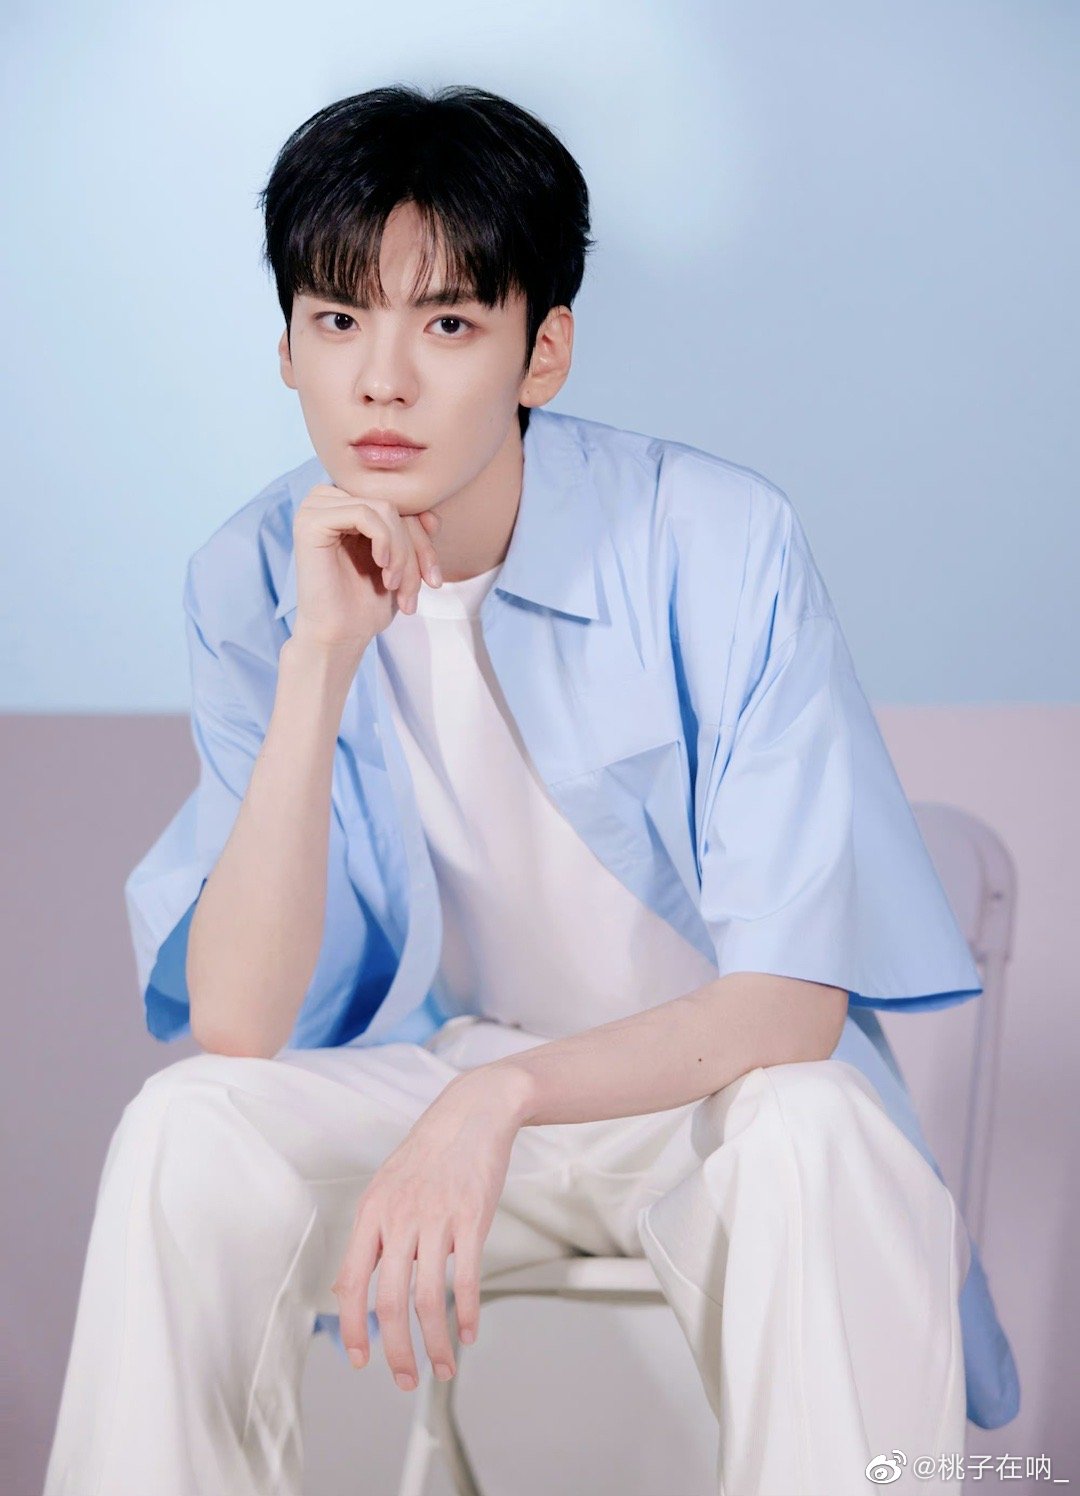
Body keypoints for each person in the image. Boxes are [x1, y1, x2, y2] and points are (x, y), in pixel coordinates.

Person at [44, 83, 1019, 1496]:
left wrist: (496, 1103)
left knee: (816, 1130)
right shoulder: (250, 575)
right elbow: (240, 1026)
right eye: (339, 319)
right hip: (445, 1081)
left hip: (707, 1106)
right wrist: (319, 660)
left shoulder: (716, 540)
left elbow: (789, 1009)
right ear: (287, 347)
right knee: (184, 1131)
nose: (382, 380)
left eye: (447, 324)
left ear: (541, 351)